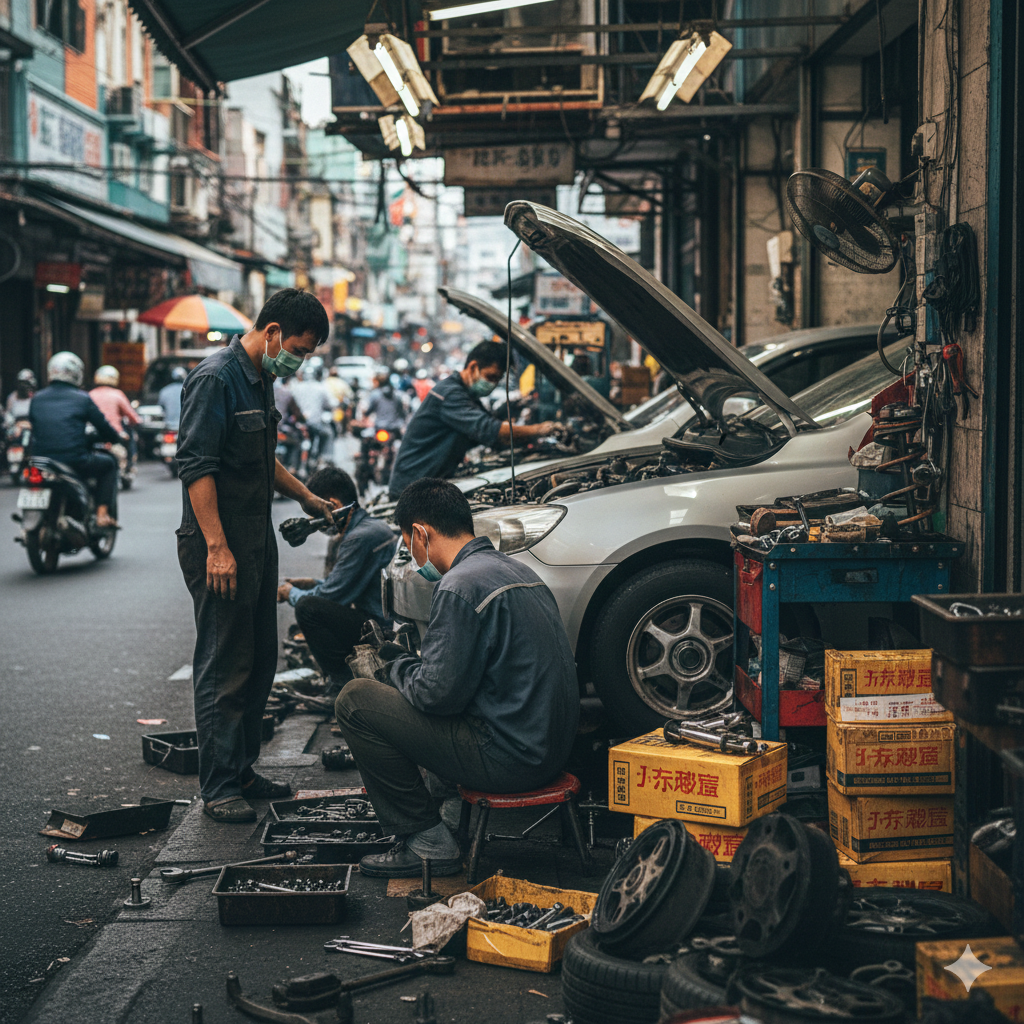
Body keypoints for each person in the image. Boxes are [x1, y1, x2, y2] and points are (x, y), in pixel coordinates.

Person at [335, 478, 580, 878]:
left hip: (511, 760)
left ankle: (427, 841)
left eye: (408, 546)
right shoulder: (516, 570)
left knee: (356, 700)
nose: (414, 559)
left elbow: (435, 695)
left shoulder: (459, 584)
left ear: (419, 533)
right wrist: (408, 662)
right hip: (549, 750)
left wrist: (391, 667)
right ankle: (449, 809)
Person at [175, 288, 337, 823]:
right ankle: (219, 786)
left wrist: (307, 496)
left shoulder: (260, 378)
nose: (299, 360)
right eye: (299, 349)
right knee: (226, 664)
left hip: (254, 536)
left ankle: (243, 769)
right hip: (217, 539)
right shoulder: (215, 379)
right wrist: (217, 548)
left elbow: (262, 458)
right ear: (271, 333)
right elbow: (197, 467)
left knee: (260, 657)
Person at [276, 466, 397, 699]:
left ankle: (343, 688)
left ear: (330, 504)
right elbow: (348, 582)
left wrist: (290, 593)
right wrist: (311, 583)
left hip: (382, 630)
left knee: (308, 609)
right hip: (381, 618)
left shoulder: (359, 538)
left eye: (314, 512)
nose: (314, 522)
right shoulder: (371, 526)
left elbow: (328, 598)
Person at [386, 341, 556, 499]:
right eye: (490, 377)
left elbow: (490, 430)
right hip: (411, 490)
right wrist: (540, 430)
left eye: (498, 380)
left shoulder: (467, 396)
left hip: (428, 483)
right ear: (473, 366)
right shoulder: (450, 394)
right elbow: (494, 432)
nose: (493, 384)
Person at [29, 352, 122, 527]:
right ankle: (102, 515)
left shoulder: (37, 398)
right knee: (109, 464)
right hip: (73, 460)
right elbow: (103, 427)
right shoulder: (82, 398)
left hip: (40, 461)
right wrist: (115, 438)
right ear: (76, 373)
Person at [291, 367, 336, 463]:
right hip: (315, 423)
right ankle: (325, 458)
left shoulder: (296, 387)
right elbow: (330, 403)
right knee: (328, 433)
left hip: (299, 424)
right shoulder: (321, 388)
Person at [91, 365, 141, 436]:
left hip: (93, 436)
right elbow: (133, 417)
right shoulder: (117, 394)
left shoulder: (90, 394)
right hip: (114, 435)